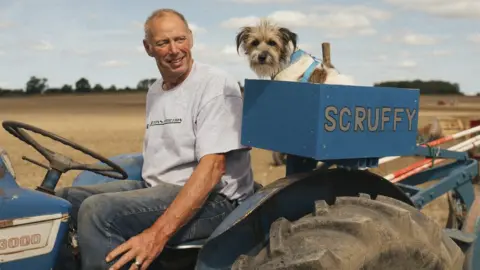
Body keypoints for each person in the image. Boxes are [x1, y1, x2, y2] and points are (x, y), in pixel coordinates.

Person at [55, 8, 254, 270]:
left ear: (191, 39)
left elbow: (213, 168)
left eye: (180, 39)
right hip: (160, 189)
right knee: (62, 202)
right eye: (163, 43)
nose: (174, 49)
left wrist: (155, 236)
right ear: (148, 48)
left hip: (216, 201)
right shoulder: (155, 90)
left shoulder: (215, 84)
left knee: (98, 211)